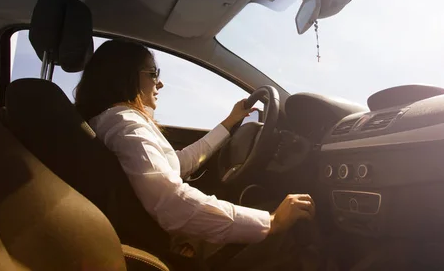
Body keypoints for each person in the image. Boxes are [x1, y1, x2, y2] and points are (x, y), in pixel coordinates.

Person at [74, 39, 318, 268]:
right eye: (153, 73)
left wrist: (229, 123)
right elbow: (171, 201)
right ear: (125, 77)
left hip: (158, 236)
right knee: (290, 231)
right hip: (161, 247)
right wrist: (271, 222)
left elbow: (178, 164)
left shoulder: (113, 123)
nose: (159, 83)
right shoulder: (125, 124)